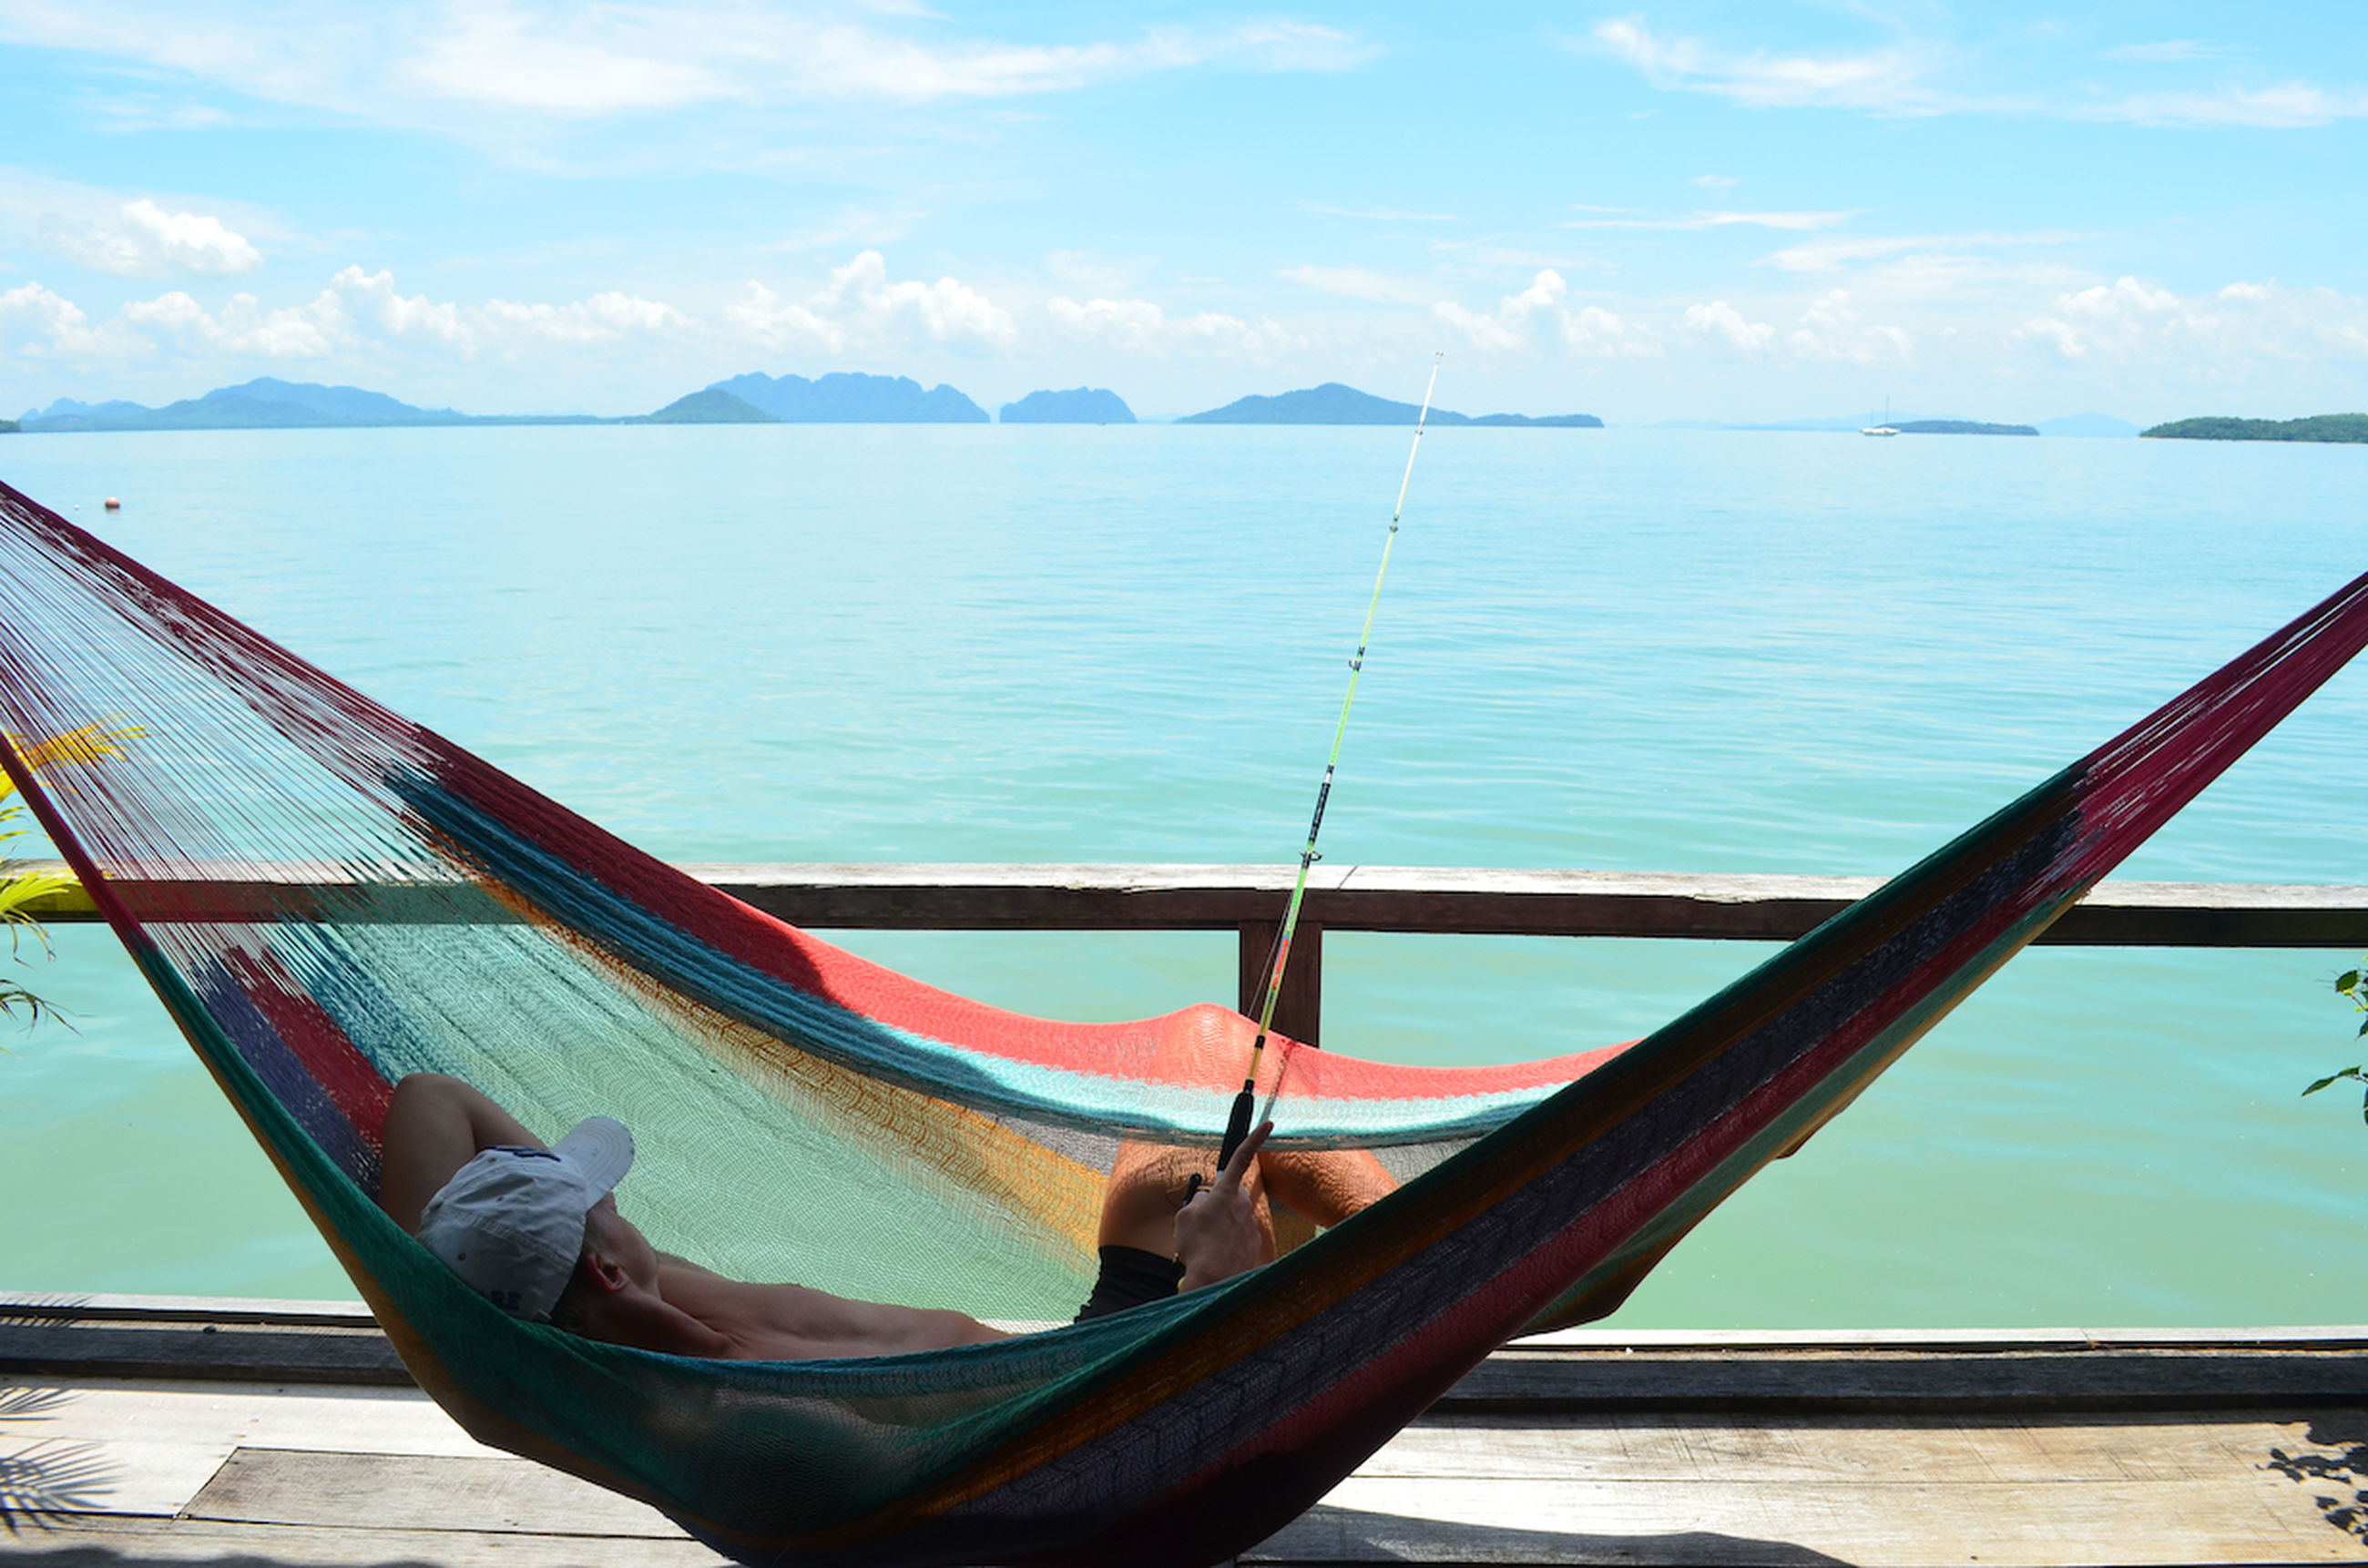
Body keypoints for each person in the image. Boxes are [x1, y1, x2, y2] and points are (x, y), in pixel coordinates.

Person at [378, 1072, 1395, 1360]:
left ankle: (1456, 1271)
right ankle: (1467, 1274)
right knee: (1271, 1146)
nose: (616, 1202)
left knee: (1204, 1065)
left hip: (1086, 1362)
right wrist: (1211, 1286)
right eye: (604, 1205)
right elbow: (1046, 1466)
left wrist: (460, 1258)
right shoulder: (743, 1406)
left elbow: (430, 1095)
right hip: (1116, 1391)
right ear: (599, 1266)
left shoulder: (602, 1305)